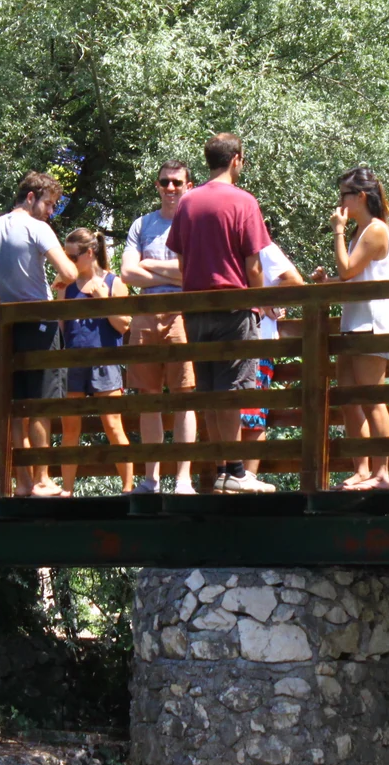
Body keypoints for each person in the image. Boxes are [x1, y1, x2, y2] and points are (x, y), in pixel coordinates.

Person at [166, 133, 276, 493]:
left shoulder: (187, 203)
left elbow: (181, 260)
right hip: (234, 308)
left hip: (195, 311)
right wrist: (258, 304)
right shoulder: (244, 202)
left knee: (211, 392)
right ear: (236, 160)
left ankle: (221, 469)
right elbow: (253, 263)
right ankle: (235, 470)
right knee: (233, 390)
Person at [0, 172, 77, 498]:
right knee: (41, 404)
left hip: (6, 326)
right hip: (40, 325)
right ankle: (42, 478)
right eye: (49, 204)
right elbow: (70, 271)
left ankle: (23, 482)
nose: (50, 212)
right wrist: (58, 281)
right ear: (30, 197)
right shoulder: (37, 228)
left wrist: (3, 291)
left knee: (16, 406)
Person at [120, 161, 198, 495]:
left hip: (183, 314)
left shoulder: (196, 223)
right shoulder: (142, 224)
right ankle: (150, 479)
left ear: (188, 186)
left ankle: (183, 479)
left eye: (177, 183)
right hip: (146, 314)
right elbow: (127, 273)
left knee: (184, 396)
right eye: (164, 182)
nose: (170, 188)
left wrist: (150, 264)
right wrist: (172, 271)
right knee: (148, 396)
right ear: (157, 185)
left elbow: (195, 274)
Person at [327, 167, 389, 491]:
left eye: (344, 194)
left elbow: (346, 270)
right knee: (349, 400)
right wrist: (325, 281)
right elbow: (350, 277)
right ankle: (361, 469)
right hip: (353, 323)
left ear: (360, 197)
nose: (340, 201)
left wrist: (338, 232)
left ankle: (381, 473)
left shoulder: (374, 230)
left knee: (372, 399)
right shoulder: (362, 231)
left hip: (372, 324)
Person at [57, 228, 133, 494]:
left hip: (106, 363)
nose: (67, 261)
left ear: (90, 253)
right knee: (69, 431)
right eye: (65, 256)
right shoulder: (66, 286)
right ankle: (67, 491)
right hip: (73, 363)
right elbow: (61, 328)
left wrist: (104, 302)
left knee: (113, 426)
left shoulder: (115, 282)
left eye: (72, 256)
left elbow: (124, 326)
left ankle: (128, 488)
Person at [240, 242, 305, 475]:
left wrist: (264, 302)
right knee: (227, 414)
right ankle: (229, 479)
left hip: (259, 341)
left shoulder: (263, 247)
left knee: (253, 416)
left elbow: (296, 282)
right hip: (229, 340)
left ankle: (247, 479)